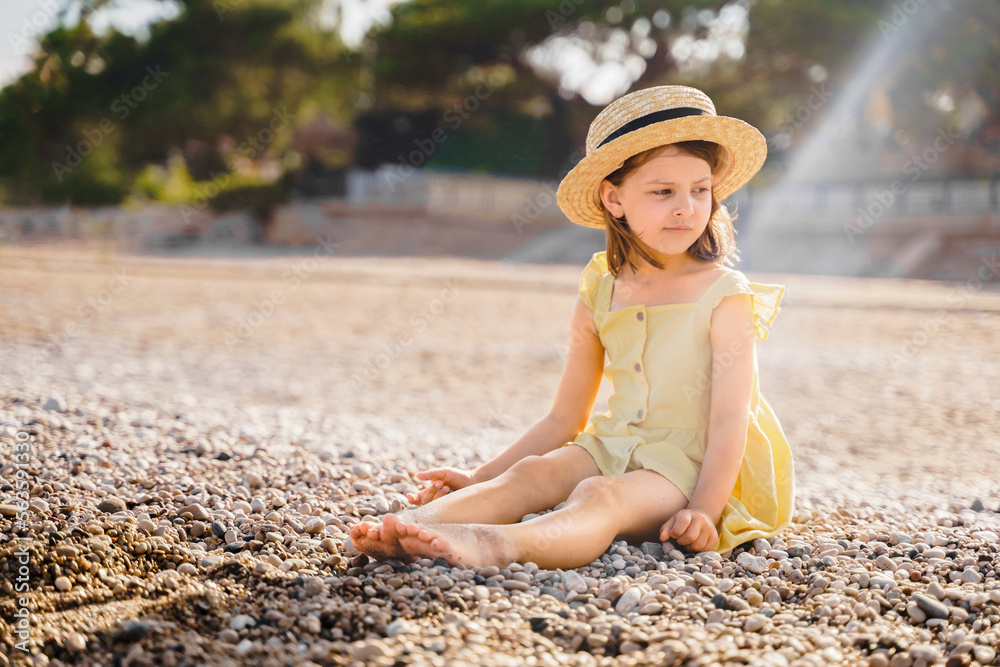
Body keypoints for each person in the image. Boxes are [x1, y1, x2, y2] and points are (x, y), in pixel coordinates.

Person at [349, 85, 795, 569]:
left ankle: (498, 546)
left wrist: (705, 510)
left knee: (600, 495)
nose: (686, 207)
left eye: (700, 189)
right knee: (532, 474)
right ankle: (419, 525)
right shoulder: (601, 293)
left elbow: (731, 420)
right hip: (612, 443)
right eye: (663, 191)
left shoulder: (724, 294)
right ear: (614, 198)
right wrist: (481, 475)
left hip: (691, 466)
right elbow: (565, 419)